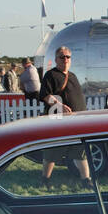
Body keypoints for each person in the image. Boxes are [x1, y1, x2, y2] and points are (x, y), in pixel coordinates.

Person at [39, 47, 88, 184]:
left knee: (80, 151)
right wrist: (59, 106)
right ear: (56, 60)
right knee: (52, 152)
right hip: (58, 121)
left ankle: (86, 180)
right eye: (62, 57)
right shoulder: (51, 75)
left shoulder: (72, 76)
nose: (65, 59)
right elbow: (45, 96)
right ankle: (45, 179)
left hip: (76, 121)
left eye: (68, 57)